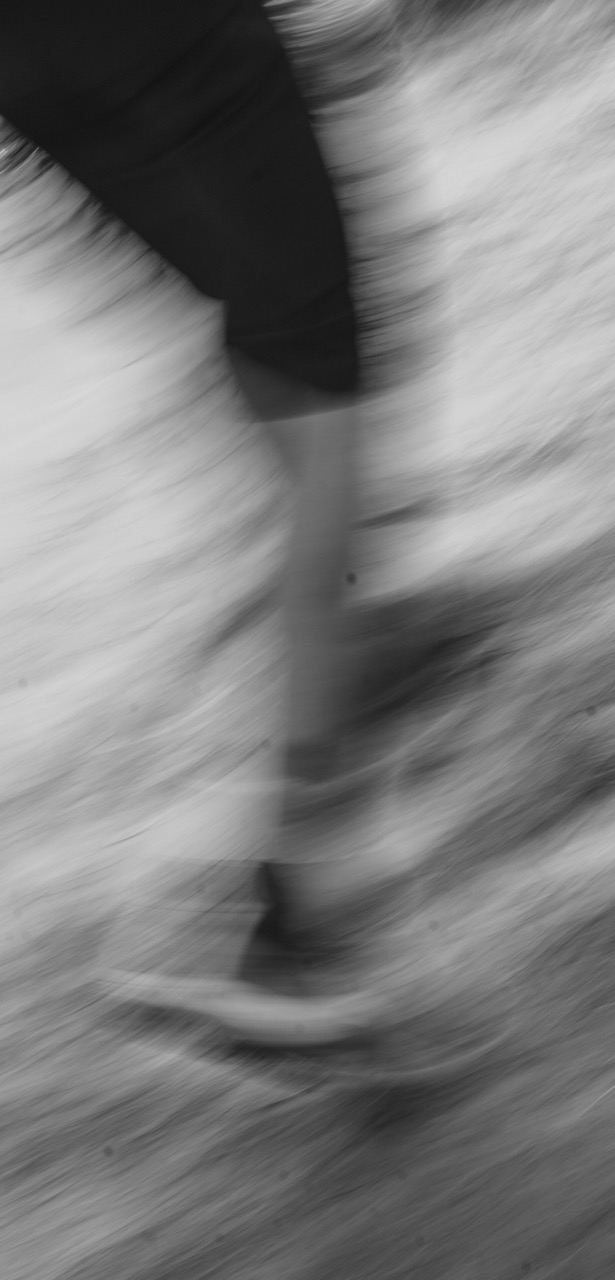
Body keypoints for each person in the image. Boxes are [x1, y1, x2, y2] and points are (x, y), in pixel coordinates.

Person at [0, 0, 470, 1064]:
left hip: (34, 60)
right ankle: (300, 922)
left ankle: (321, 886)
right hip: (167, 38)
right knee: (335, 435)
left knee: (291, 399)